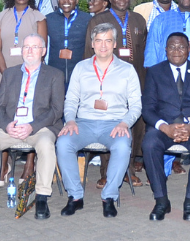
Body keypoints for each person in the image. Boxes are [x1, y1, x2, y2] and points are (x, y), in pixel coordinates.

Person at [55, 23, 143, 218]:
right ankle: (75, 197)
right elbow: (71, 100)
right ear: (92, 44)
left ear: (115, 44)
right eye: (99, 41)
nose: (103, 45)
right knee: (63, 143)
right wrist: (70, 120)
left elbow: (136, 105)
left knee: (122, 147)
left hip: (115, 123)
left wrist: (125, 123)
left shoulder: (127, 70)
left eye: (108, 41)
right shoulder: (81, 68)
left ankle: (109, 197)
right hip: (83, 122)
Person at [0, 34, 65, 220]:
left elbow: (57, 110)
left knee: (46, 146)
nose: (30, 51)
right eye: (26, 47)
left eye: (34, 47)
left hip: (40, 127)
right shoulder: (10, 73)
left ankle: (41, 197)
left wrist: (32, 126)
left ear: (43, 51)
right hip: (12, 127)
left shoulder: (55, 75)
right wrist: (8, 125)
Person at [141, 33, 190, 221]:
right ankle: (161, 201)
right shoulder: (155, 72)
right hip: (165, 127)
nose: (176, 51)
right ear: (165, 50)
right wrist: (165, 127)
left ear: (189, 49)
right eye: (172, 47)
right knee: (149, 143)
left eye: (181, 47)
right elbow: (147, 109)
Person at [85, 0, 148, 187]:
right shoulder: (98, 20)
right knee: (109, 124)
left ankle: (128, 169)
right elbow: (88, 52)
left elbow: (145, 53)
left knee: (134, 125)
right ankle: (106, 172)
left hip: (135, 80)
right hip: (107, 82)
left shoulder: (138, 20)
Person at [0, 0, 48, 89]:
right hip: (4, 74)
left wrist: (29, 74)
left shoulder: (39, 18)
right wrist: (6, 74)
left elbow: (42, 50)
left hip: (30, 75)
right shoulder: (1, 17)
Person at [45, 0, 91, 89]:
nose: (66, 0)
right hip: (54, 73)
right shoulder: (48, 19)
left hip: (80, 74)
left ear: (77, 0)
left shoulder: (87, 19)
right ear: (58, 0)